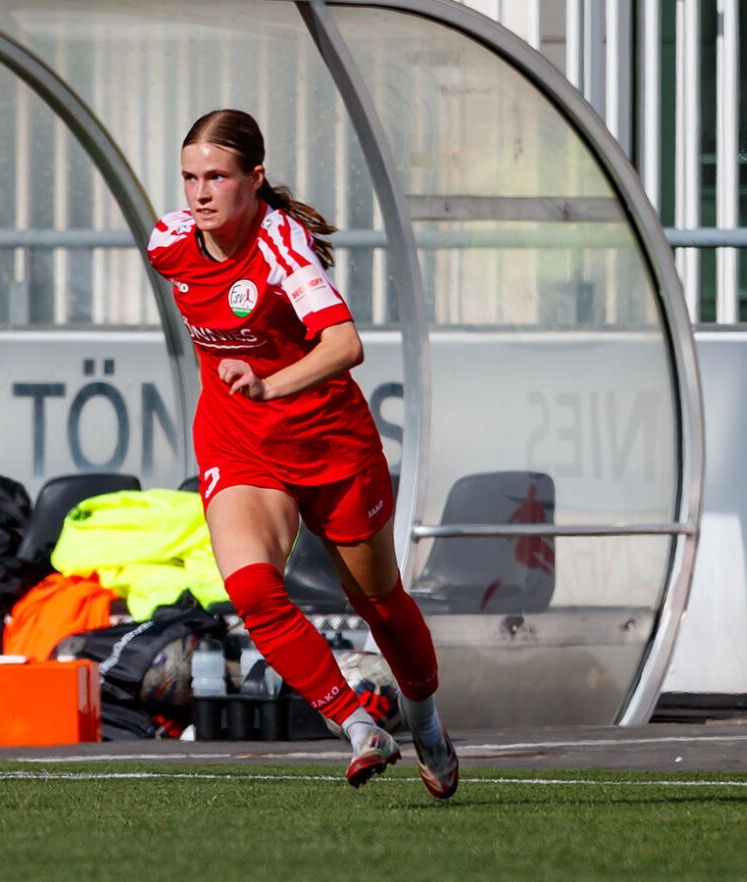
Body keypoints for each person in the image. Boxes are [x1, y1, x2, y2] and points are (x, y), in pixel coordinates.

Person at [147, 109, 458, 797]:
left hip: (329, 445)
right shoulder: (170, 240)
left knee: (376, 599)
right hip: (241, 444)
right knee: (252, 586)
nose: (200, 193)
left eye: (218, 177)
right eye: (190, 177)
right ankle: (356, 726)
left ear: (254, 179)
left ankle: (426, 721)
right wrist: (247, 396)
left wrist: (267, 383)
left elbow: (346, 345)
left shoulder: (283, 244)